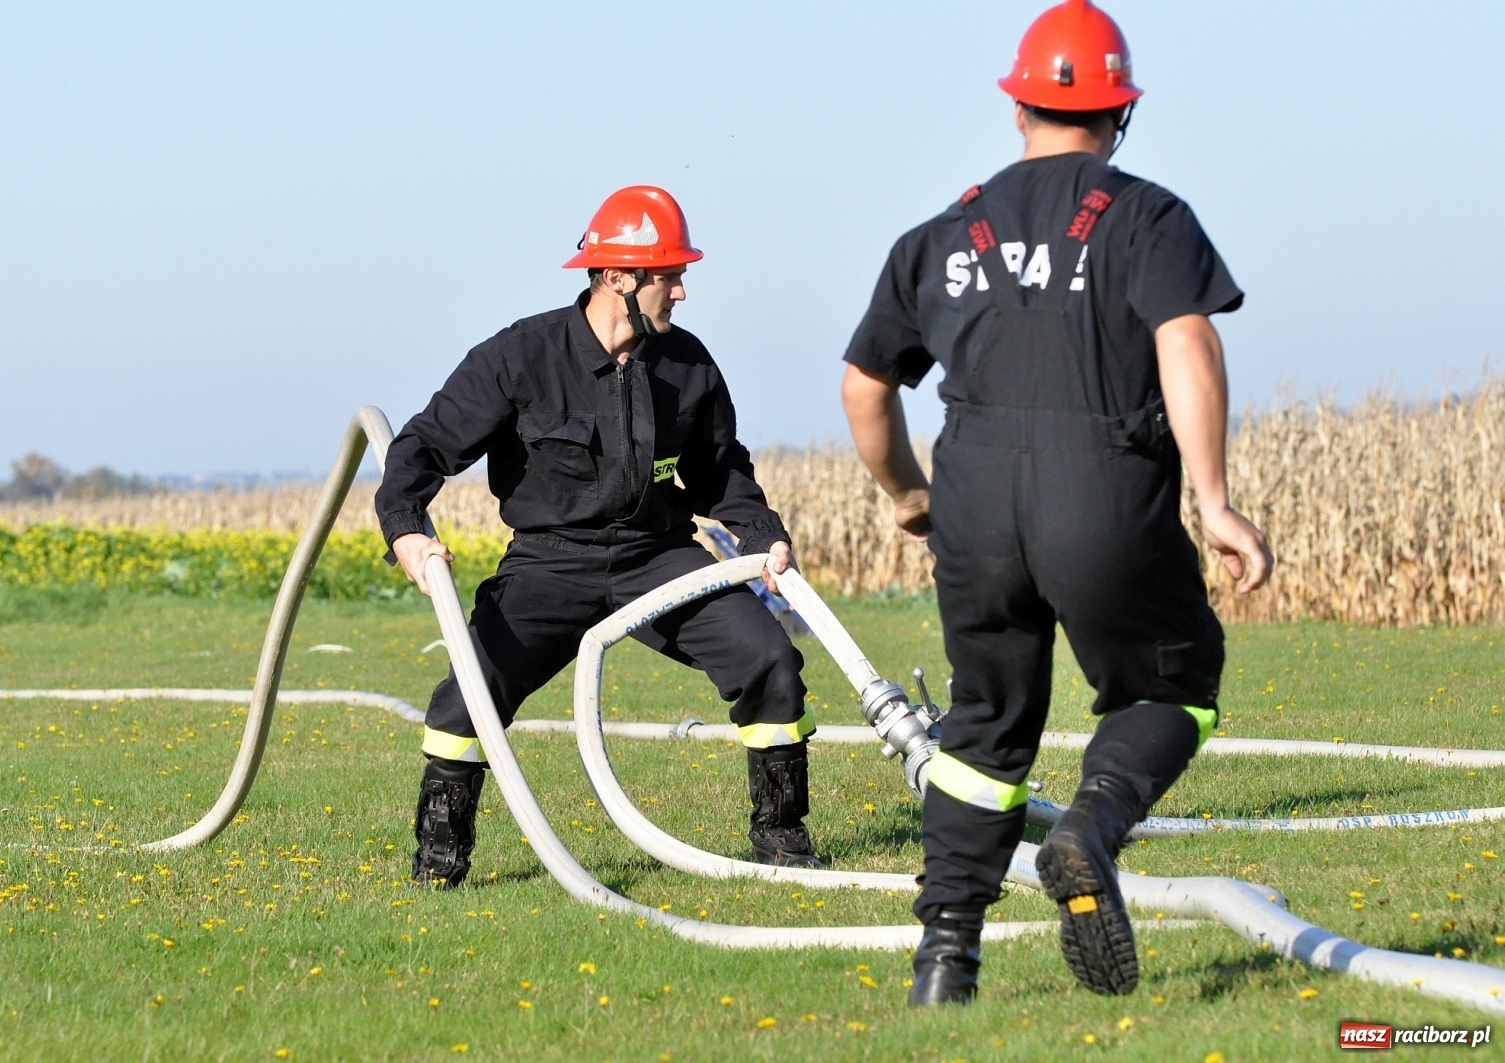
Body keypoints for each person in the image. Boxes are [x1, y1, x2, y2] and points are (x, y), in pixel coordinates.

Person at [839, 0, 1273, 1005]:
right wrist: (1213, 500)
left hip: (974, 501)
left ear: (1018, 108)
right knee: (1173, 684)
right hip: (1103, 487)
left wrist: (907, 493)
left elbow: (864, 387)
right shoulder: (1148, 216)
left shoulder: (939, 234)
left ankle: (945, 960)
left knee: (983, 723)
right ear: (1121, 114)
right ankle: (1090, 824)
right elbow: (1187, 341)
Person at [376, 185, 821, 889]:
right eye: (670, 276)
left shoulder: (688, 363)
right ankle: (439, 860)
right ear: (617, 277)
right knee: (469, 694)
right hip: (549, 565)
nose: (682, 292)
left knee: (768, 656)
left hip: (658, 555)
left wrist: (762, 536)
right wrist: (406, 531)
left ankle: (782, 838)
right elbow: (422, 446)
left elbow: (720, 470)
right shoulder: (520, 356)